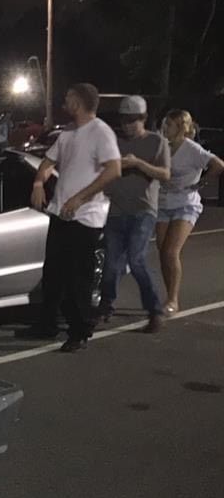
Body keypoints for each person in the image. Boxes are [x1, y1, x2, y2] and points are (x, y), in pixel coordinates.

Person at [17, 83, 121, 352]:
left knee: (78, 279)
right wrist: (39, 182)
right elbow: (48, 162)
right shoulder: (68, 133)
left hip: (84, 217)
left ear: (78, 101)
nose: (64, 102)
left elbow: (114, 170)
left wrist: (80, 198)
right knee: (52, 273)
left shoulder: (101, 132)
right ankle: (46, 324)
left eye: (67, 98)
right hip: (60, 213)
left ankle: (79, 331)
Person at [93, 95, 169, 330]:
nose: (127, 125)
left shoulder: (157, 142)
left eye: (133, 120)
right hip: (115, 210)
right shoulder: (115, 141)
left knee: (136, 260)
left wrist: (138, 164)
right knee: (111, 264)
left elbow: (165, 174)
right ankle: (106, 305)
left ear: (144, 118)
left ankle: (154, 310)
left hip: (143, 210)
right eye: (124, 120)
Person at [157, 109, 223, 313]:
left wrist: (200, 183)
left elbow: (218, 165)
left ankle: (173, 300)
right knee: (162, 253)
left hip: (185, 204)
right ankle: (168, 294)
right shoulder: (163, 147)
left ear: (180, 128)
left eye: (169, 125)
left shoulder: (192, 149)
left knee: (171, 251)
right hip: (163, 203)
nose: (164, 128)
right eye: (164, 124)